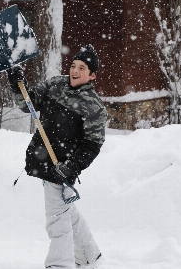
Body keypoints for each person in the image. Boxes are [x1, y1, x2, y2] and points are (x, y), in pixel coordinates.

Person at [7, 44, 107, 269]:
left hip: (62, 167)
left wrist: (71, 167)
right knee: (65, 211)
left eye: (82, 68)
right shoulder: (55, 85)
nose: (75, 70)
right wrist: (17, 84)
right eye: (73, 65)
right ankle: (90, 256)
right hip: (44, 160)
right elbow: (27, 104)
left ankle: (60, 264)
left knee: (57, 219)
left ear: (92, 75)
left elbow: (92, 145)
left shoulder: (94, 107)